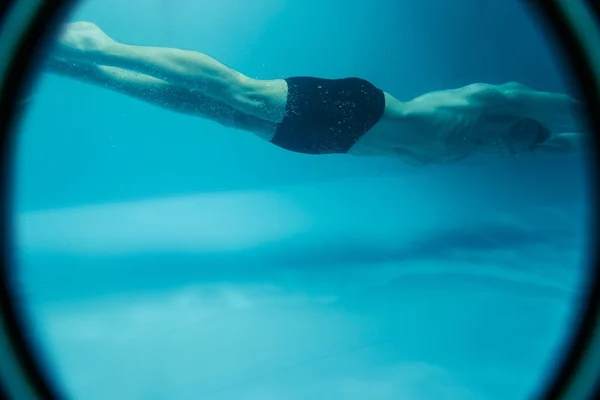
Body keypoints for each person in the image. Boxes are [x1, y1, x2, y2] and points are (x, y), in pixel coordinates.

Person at [49, 21, 584, 166]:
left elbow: (561, 141)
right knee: (242, 92)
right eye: (508, 142)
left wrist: (547, 142)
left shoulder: (491, 145)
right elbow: (547, 106)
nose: (500, 151)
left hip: (331, 144)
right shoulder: (486, 106)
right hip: (361, 109)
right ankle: (98, 46)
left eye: (509, 153)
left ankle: (86, 73)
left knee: (220, 114)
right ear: (512, 123)